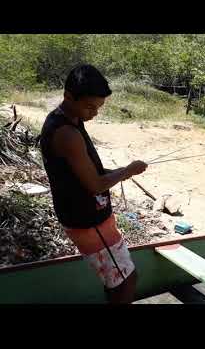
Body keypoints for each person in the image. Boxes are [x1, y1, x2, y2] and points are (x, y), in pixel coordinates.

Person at [40, 64, 147, 303]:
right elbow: (95, 184)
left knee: (117, 281)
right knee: (127, 281)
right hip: (87, 221)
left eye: (98, 107)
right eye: (90, 106)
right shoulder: (67, 134)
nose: (94, 113)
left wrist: (122, 172)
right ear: (68, 95)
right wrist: (127, 170)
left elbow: (86, 173)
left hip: (91, 217)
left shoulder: (71, 119)